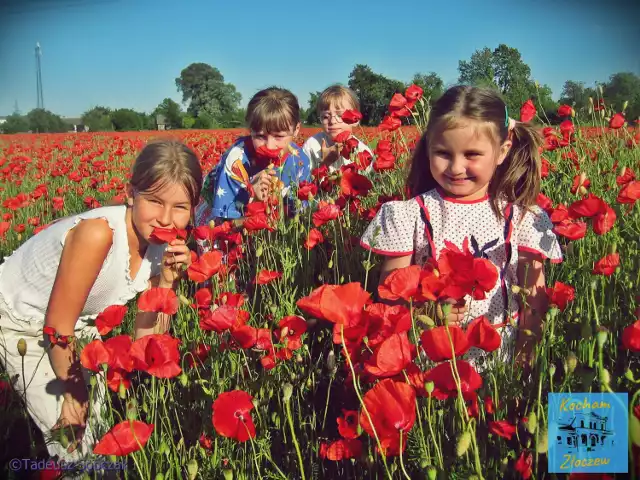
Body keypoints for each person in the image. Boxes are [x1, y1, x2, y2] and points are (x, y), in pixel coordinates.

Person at [0, 139, 201, 462]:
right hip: (20, 320)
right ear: (129, 194)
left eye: (179, 207)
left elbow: (144, 342)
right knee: (76, 441)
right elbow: (56, 326)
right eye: (154, 201)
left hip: (74, 324)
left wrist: (166, 281)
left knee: (97, 435)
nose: (166, 219)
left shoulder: (163, 245)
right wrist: (71, 393)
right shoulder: (98, 234)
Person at [360, 85, 562, 366]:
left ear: (502, 152)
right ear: (428, 147)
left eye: (472, 154)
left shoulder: (524, 219)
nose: (456, 167)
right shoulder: (407, 215)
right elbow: (391, 296)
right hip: (430, 357)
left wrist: (524, 360)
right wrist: (426, 309)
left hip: (500, 360)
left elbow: (534, 301)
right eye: (443, 153)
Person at [195, 87, 311, 252]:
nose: (270, 146)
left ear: (296, 129)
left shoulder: (300, 160)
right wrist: (253, 199)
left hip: (269, 222)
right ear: (250, 130)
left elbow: (298, 215)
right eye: (260, 136)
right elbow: (226, 226)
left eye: (279, 136)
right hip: (221, 221)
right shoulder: (236, 160)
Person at [302, 84, 374, 173]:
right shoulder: (311, 146)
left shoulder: (362, 151)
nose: (332, 121)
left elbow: (368, 182)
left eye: (340, 115)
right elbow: (302, 181)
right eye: (325, 117)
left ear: (356, 120)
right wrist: (325, 162)